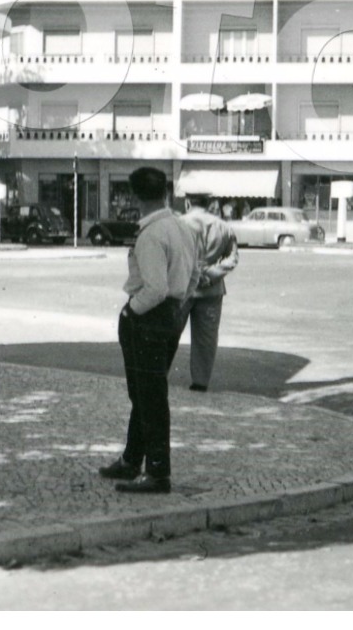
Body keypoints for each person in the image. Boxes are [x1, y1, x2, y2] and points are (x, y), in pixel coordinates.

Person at [98, 166, 200, 494]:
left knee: (149, 397)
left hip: (147, 318)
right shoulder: (183, 229)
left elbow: (154, 289)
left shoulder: (151, 235)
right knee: (145, 392)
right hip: (170, 315)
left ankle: (157, 472)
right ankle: (131, 459)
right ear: (165, 193)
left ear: (136, 197)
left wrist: (131, 312)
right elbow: (196, 275)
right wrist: (179, 306)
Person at [172, 191, 239, 393]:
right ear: (209, 204)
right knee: (206, 339)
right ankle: (200, 382)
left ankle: (159, 375)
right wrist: (210, 273)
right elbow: (232, 258)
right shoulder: (223, 226)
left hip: (181, 287)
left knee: (169, 333)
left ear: (188, 203)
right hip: (211, 289)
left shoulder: (178, 224)